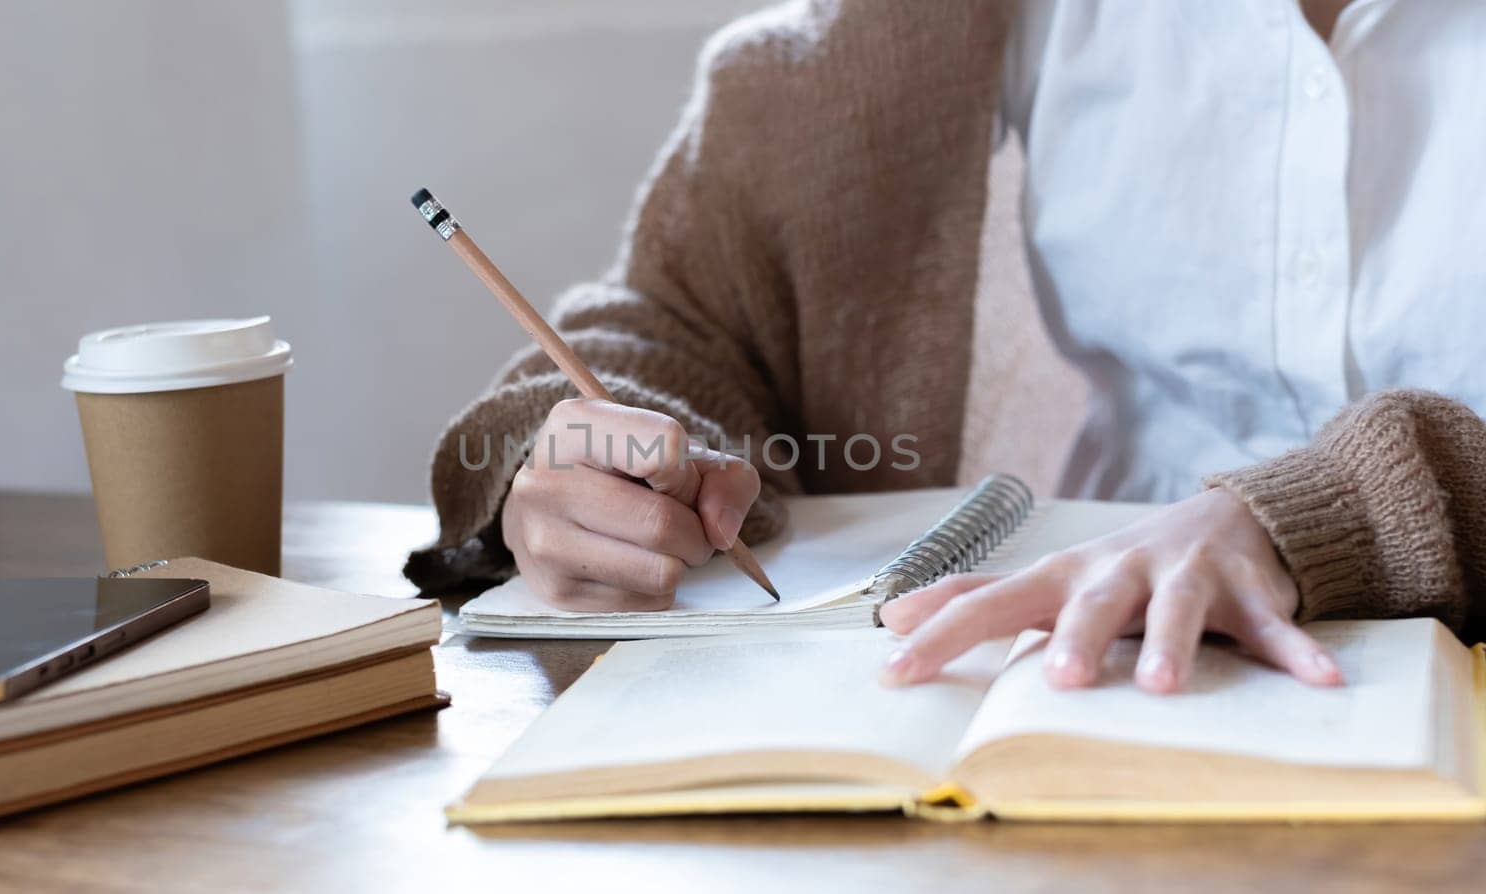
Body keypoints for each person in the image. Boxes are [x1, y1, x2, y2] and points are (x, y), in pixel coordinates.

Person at [406, 0, 1486, 695]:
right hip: (1095, 669)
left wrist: (1308, 517)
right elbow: (676, 324)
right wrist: (600, 459)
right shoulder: (919, 35)